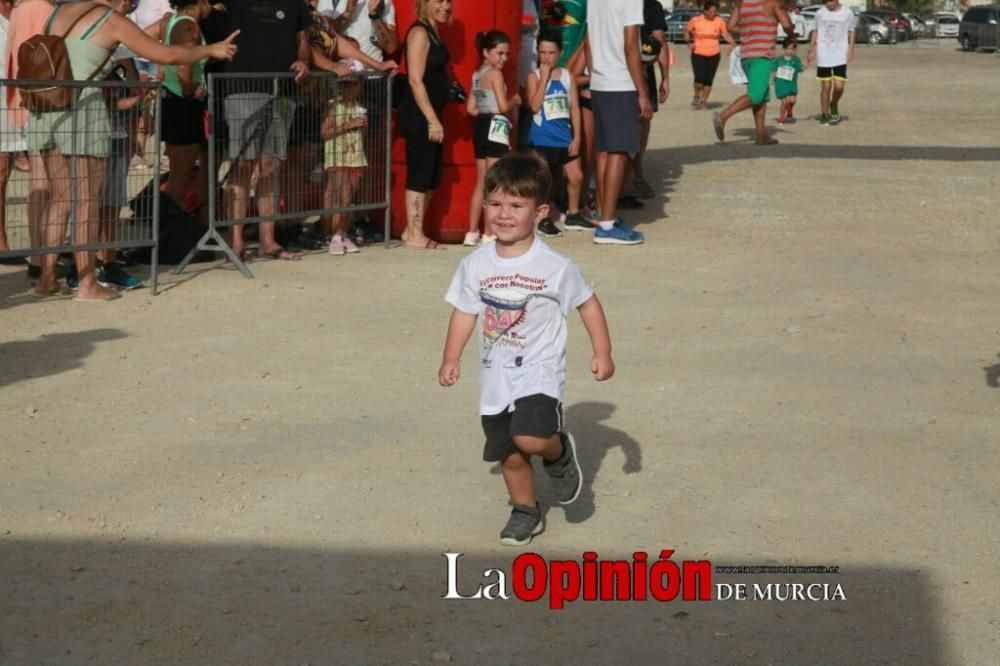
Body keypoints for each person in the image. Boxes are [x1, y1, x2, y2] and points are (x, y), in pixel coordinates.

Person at [439, 152, 614, 546]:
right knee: (511, 453)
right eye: (496, 204)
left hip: (539, 369)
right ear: (484, 206)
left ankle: (558, 454)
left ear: (539, 212)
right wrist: (451, 358)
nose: (504, 214)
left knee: (532, 438)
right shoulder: (475, 264)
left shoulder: (555, 265)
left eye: (516, 205)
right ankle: (524, 510)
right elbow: (465, 312)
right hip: (495, 374)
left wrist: (602, 352)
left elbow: (588, 303)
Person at [25, 0, 238, 299]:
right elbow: (165, 54)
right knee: (87, 201)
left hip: (48, 107)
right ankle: (87, 283)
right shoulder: (109, 19)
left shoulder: (61, 11)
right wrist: (210, 50)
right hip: (83, 111)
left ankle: (46, 278)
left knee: (61, 201)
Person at [220, 0, 311, 262]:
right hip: (242, 87)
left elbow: (302, 36)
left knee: (271, 165)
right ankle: (236, 242)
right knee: (243, 165)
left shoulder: (296, 3)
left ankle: (267, 241)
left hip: (282, 91)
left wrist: (303, 60)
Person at [585, 0, 651, 245]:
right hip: (621, 82)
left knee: (604, 152)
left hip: (601, 82)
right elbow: (631, 46)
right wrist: (642, 92)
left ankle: (605, 216)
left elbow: (588, 41)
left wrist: (596, 75)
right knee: (619, 152)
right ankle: (608, 224)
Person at [5, 0, 55, 277]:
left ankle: (39, 257)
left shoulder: (19, 9)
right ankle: (44, 258)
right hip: (45, 102)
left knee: (40, 184)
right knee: (51, 185)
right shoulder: (43, 9)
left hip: (26, 101)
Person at [398, 0, 451, 250]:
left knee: (431, 173)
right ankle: (415, 233)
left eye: (448, 1)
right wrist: (432, 119)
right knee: (420, 171)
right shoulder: (419, 32)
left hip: (432, 113)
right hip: (420, 115)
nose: (446, 6)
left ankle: (413, 230)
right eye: (439, 1)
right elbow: (415, 80)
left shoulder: (434, 30)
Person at [526, 29, 585, 237]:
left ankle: (574, 214)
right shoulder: (534, 76)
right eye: (542, 52)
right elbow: (533, 106)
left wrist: (577, 136)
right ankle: (544, 218)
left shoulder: (567, 76)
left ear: (559, 53)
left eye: (551, 52)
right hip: (542, 137)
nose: (546, 57)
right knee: (545, 180)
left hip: (564, 136)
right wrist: (543, 79)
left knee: (576, 176)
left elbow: (574, 108)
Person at [711, 0, 794, 145]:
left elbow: (730, 26)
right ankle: (723, 117)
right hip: (762, 56)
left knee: (761, 97)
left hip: (746, 55)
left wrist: (750, 30)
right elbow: (786, 25)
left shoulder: (742, 3)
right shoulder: (772, 3)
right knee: (755, 95)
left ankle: (761, 135)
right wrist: (791, 32)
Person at [464, 30, 519, 247]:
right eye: (500, 53)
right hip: (496, 126)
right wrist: (515, 99)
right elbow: (504, 106)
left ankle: (471, 232)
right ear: (486, 52)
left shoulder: (477, 74)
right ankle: (488, 234)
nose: (503, 59)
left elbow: (471, 108)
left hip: (481, 125)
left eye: (506, 54)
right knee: (494, 182)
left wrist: (487, 110)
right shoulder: (495, 74)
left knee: (481, 181)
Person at [159, 0, 211, 219]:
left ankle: (170, 224)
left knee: (178, 173)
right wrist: (191, 90)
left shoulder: (171, 21)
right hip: (183, 102)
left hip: (173, 100)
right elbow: (184, 65)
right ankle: (171, 226)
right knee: (182, 173)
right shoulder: (189, 26)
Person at [626, 0, 670, 202]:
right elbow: (659, 42)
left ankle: (634, 175)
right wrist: (665, 79)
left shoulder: (651, 6)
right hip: (642, 72)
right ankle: (635, 175)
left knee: (629, 124)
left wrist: (665, 78)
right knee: (642, 123)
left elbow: (659, 42)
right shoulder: (652, 6)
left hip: (619, 70)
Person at [321, 72, 366, 255]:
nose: (350, 88)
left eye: (353, 84)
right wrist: (348, 125)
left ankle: (340, 233)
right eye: (346, 84)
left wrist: (363, 127)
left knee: (347, 197)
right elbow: (324, 133)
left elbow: (363, 136)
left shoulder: (360, 108)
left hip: (355, 156)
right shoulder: (333, 106)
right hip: (337, 156)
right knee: (342, 196)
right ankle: (336, 235)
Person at [807, 0, 854, 126]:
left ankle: (834, 103)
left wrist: (851, 49)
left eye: (831, 1)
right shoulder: (819, 13)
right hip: (823, 52)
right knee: (826, 86)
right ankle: (824, 114)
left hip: (840, 52)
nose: (829, 4)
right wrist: (811, 49)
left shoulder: (848, 12)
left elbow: (851, 31)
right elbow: (815, 31)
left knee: (839, 86)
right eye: (826, 2)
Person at [684, 0, 734, 110]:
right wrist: (688, 43)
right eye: (711, 12)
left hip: (714, 54)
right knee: (699, 78)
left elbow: (725, 33)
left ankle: (704, 101)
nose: (713, 14)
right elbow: (687, 31)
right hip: (698, 53)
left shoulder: (719, 21)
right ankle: (697, 95)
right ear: (705, 11)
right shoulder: (696, 20)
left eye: (715, 12)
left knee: (708, 79)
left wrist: (732, 43)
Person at [317, 0, 398, 61]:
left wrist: (374, 15)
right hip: (342, 77)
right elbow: (321, 37)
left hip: (373, 78)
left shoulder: (383, 2)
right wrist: (347, 14)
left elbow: (391, 47)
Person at [772, 35, 803, 124]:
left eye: (792, 49)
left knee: (792, 101)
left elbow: (800, 69)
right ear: (784, 49)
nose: (790, 51)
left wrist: (807, 64)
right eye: (788, 49)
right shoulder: (779, 60)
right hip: (781, 83)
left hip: (792, 84)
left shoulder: (796, 60)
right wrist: (773, 78)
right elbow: (774, 69)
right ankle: (782, 117)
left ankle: (790, 109)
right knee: (784, 102)